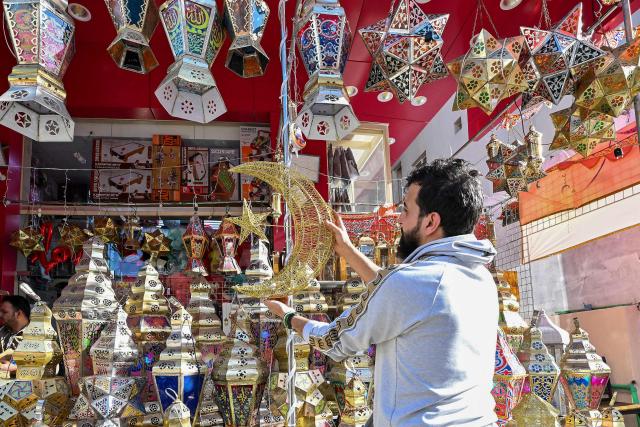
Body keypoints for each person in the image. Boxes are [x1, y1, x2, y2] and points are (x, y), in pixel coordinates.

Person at [265, 158, 499, 427]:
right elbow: (399, 293)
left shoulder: (417, 282)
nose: (399, 219)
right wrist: (348, 251)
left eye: (406, 211)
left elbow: (334, 341)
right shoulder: (479, 277)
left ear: (431, 222)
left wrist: (287, 316)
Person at [0, 295, 31, 374]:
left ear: (18, 314)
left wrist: (16, 368)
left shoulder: (36, 335)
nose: (0, 315)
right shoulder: (2, 331)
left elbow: (46, 365)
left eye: (4, 312)